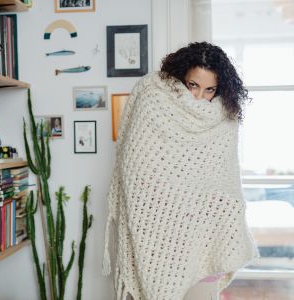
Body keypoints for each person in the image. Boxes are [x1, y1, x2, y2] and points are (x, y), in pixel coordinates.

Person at [102, 42, 260, 300]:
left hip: (203, 244)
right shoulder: (153, 98)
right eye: (193, 85)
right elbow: (134, 173)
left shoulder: (225, 117)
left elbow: (225, 181)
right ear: (180, 77)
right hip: (154, 240)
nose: (199, 97)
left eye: (210, 90)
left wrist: (225, 212)